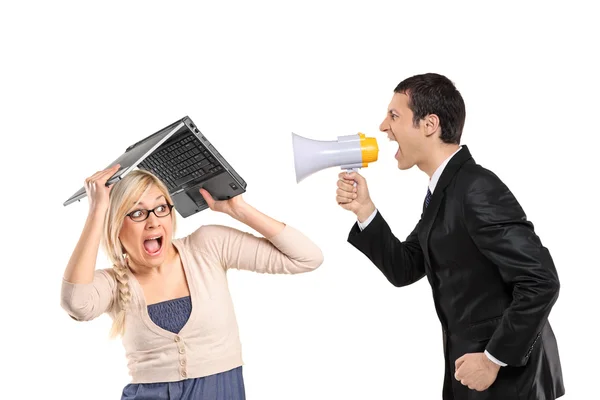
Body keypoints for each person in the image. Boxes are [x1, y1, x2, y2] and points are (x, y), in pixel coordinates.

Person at [336, 73, 564, 399]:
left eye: (394, 115)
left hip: (509, 381)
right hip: (472, 376)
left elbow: (541, 280)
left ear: (429, 124)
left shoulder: (476, 188)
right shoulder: (444, 190)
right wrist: (365, 210)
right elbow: (405, 267)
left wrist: (493, 359)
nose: (383, 127)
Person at [60, 166, 323, 400]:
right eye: (137, 213)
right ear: (116, 225)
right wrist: (97, 211)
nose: (153, 222)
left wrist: (239, 210)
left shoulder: (207, 246)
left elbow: (307, 258)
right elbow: (76, 304)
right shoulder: (114, 282)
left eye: (161, 208)